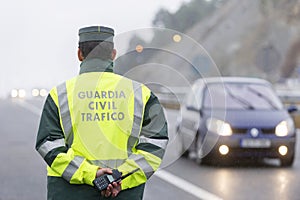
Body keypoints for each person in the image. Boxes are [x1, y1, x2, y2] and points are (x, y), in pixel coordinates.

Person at [35, 25, 168, 200]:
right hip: (123, 193)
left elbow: (49, 145)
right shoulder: (140, 94)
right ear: (113, 54)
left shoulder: (59, 95)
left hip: (69, 192)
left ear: (79, 54)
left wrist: (92, 174)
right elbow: (155, 145)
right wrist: (119, 179)